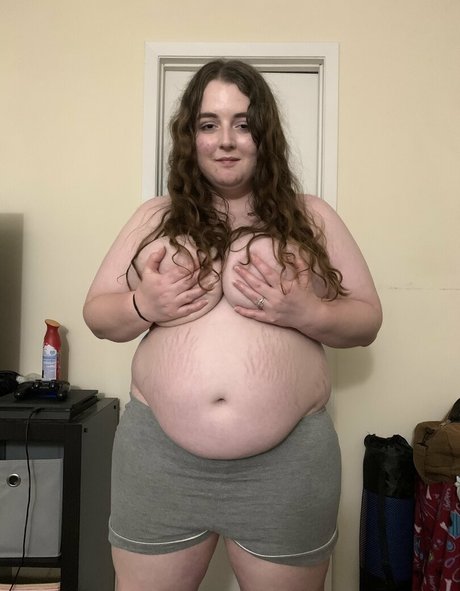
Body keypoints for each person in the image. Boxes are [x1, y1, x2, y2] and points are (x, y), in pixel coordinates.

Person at [83, 59, 382, 591]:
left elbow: (367, 320)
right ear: (190, 137)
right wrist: (144, 304)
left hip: (286, 469)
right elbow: (97, 315)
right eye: (209, 124)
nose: (225, 140)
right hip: (160, 464)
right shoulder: (156, 216)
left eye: (243, 124)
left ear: (265, 135)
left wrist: (308, 313)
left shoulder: (311, 216)